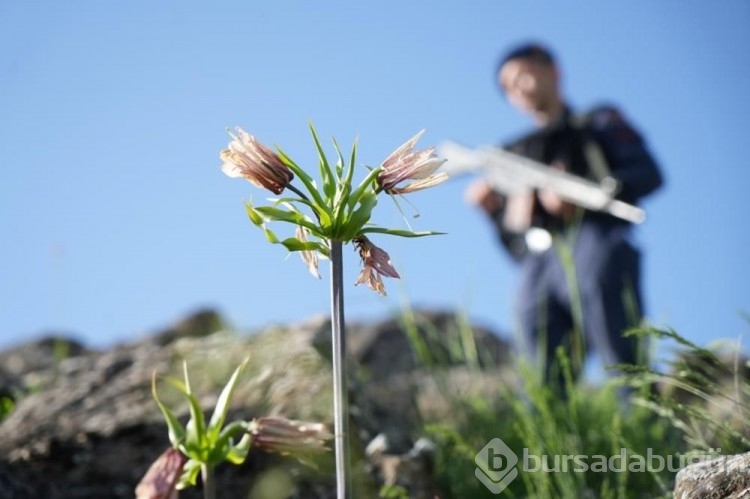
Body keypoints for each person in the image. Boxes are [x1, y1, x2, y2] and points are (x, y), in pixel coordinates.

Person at [465, 43, 663, 394]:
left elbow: (647, 173)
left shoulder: (598, 123)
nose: (519, 89)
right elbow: (516, 246)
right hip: (541, 260)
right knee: (538, 362)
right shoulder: (512, 153)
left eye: (523, 75)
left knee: (621, 350)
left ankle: (649, 436)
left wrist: (587, 194)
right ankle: (552, 445)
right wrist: (495, 213)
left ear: (552, 71)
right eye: (508, 87)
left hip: (596, 240)